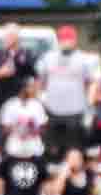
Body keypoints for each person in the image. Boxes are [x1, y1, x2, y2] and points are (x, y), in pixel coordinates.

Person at [37, 26, 94, 159]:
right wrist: (41, 100)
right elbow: (40, 82)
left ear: (75, 40)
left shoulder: (84, 59)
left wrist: (90, 102)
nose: (66, 42)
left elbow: (92, 82)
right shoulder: (47, 58)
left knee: (75, 149)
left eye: (69, 39)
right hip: (52, 110)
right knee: (52, 148)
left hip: (76, 110)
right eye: (62, 39)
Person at [0, 24, 37, 140]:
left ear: (17, 37)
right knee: (1, 135)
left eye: (10, 36)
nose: (6, 39)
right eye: (5, 36)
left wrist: (33, 93)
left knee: (21, 134)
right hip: (2, 101)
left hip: (22, 103)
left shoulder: (27, 54)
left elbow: (37, 77)